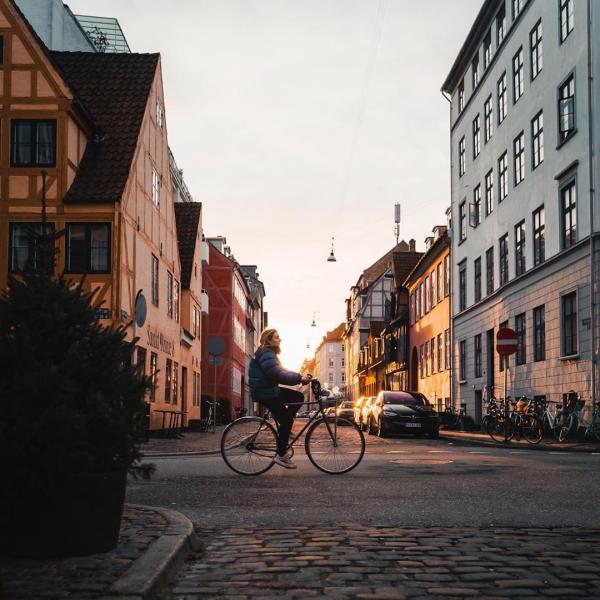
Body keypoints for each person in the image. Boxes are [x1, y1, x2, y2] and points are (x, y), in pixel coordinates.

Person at [249, 328, 312, 469]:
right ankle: (281, 454)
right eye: (277, 337)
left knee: (298, 396)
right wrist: (299, 379)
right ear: (269, 340)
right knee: (287, 419)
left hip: (269, 389)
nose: (280, 339)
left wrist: (299, 375)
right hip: (266, 392)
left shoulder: (268, 353)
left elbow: (281, 370)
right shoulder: (266, 354)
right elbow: (277, 374)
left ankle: (285, 427)